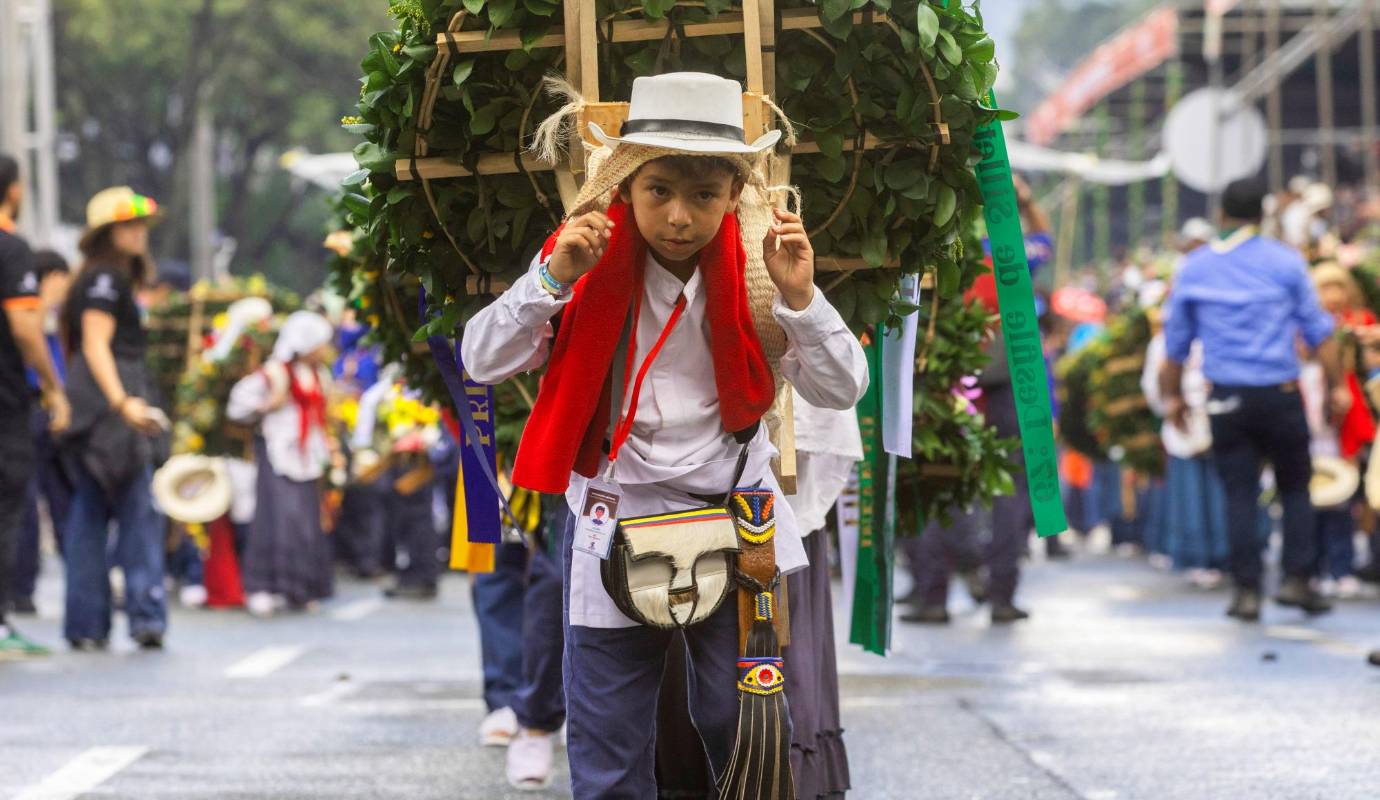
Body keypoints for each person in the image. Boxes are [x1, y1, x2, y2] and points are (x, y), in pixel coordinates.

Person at [462, 73, 867, 797]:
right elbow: (480, 361)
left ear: (732, 194)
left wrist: (803, 297)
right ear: (628, 186)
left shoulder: (761, 272)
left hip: (738, 519)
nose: (680, 216)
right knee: (608, 733)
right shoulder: (579, 256)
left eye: (703, 196)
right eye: (659, 192)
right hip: (613, 515)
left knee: (743, 723)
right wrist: (550, 279)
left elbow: (841, 389)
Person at [1161, 178, 1341, 622]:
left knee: (1238, 494)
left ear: (1221, 215)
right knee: (1296, 487)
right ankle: (1299, 580)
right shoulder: (1285, 261)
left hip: (1226, 398)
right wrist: (1336, 387)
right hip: (1281, 394)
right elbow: (1321, 334)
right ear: (1261, 215)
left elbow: (1175, 348)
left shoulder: (1195, 268)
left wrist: (1172, 400)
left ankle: (1246, 592)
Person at [59, 186, 167, 651]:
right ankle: (145, 615)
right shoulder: (105, 279)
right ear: (106, 234)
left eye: (140, 224)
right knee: (137, 512)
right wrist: (123, 403)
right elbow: (95, 343)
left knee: (89, 513)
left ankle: (86, 623)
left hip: (92, 410)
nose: (139, 232)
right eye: (128, 224)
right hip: (110, 412)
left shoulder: (94, 279)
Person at [0, 155, 69, 658]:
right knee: (6, 511)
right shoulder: (12, 249)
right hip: (3, 406)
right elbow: (26, 329)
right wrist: (53, 386)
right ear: (15, 191)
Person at [227, 310, 337, 617]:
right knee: (275, 519)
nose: (325, 350)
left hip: (307, 456)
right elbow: (236, 405)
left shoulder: (319, 374)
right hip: (278, 452)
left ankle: (300, 588)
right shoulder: (275, 372)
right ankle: (263, 586)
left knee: (305, 523)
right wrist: (267, 405)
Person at [13, 250, 73, 614]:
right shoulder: (28, 309)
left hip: (59, 414)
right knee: (26, 506)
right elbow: (28, 342)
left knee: (66, 500)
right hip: (32, 407)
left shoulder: (58, 314)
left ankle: (85, 587)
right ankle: (21, 589)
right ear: (51, 277)